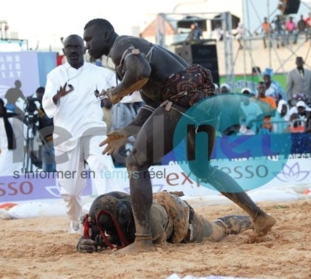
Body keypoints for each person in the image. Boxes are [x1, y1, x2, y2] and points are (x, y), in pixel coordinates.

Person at [83, 18, 276, 253]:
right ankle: (259, 216)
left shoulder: (120, 46)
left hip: (183, 103)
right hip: (204, 102)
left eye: (88, 40)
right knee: (202, 168)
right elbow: (152, 102)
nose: (87, 46)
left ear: (105, 35)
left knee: (136, 162)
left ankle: (143, 240)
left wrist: (117, 92)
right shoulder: (134, 48)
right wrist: (126, 130)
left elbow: (140, 72)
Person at [42, 34, 120, 234]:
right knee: (70, 190)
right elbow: (46, 104)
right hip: (66, 135)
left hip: (93, 129)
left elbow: (120, 89)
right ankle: (75, 220)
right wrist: (57, 96)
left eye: (77, 46)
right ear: (64, 51)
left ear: (84, 49)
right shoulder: (55, 75)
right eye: (69, 47)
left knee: (102, 166)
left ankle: (113, 216)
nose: (74, 50)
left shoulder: (100, 73)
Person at [76, 191, 254, 253]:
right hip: (154, 201)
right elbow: (88, 237)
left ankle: (253, 219)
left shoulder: (149, 223)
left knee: (219, 229)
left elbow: (151, 245)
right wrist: (85, 242)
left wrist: (113, 241)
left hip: (181, 220)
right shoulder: (104, 213)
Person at [0, 98, 23, 176]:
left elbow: (23, 130)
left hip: (12, 149)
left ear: (0, 106)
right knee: (15, 173)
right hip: (4, 149)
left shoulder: (11, 116)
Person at [33, 87, 56, 172]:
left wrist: (40, 113)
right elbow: (37, 128)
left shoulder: (52, 106)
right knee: (46, 170)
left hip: (55, 141)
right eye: (38, 97)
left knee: (56, 168)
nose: (39, 99)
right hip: (44, 142)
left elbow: (49, 122)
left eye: (41, 97)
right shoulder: (40, 109)